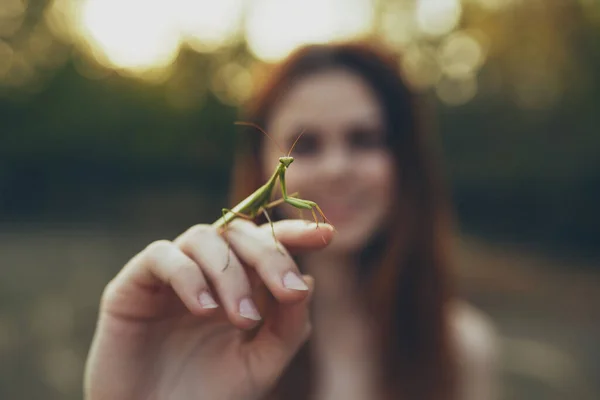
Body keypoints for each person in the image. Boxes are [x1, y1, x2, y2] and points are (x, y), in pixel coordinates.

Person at [84, 41, 498, 400]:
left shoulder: (461, 350)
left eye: (363, 139)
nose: (337, 168)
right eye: (308, 145)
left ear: (403, 162)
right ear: (261, 165)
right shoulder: (220, 338)